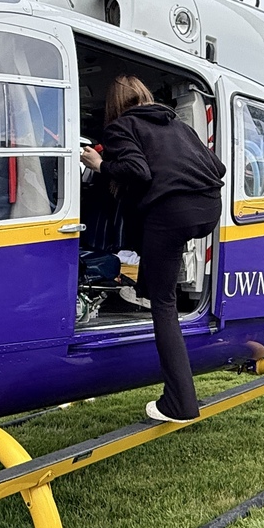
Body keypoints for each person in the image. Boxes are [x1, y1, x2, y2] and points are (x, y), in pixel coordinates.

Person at [79, 75, 226, 423]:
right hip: (208, 209)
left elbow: (137, 171)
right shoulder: (177, 124)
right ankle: (145, 286)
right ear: (145, 95)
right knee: (158, 264)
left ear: (114, 105)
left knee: (164, 306)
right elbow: (217, 166)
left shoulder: (120, 128)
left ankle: (180, 403)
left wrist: (100, 166)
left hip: (170, 212)